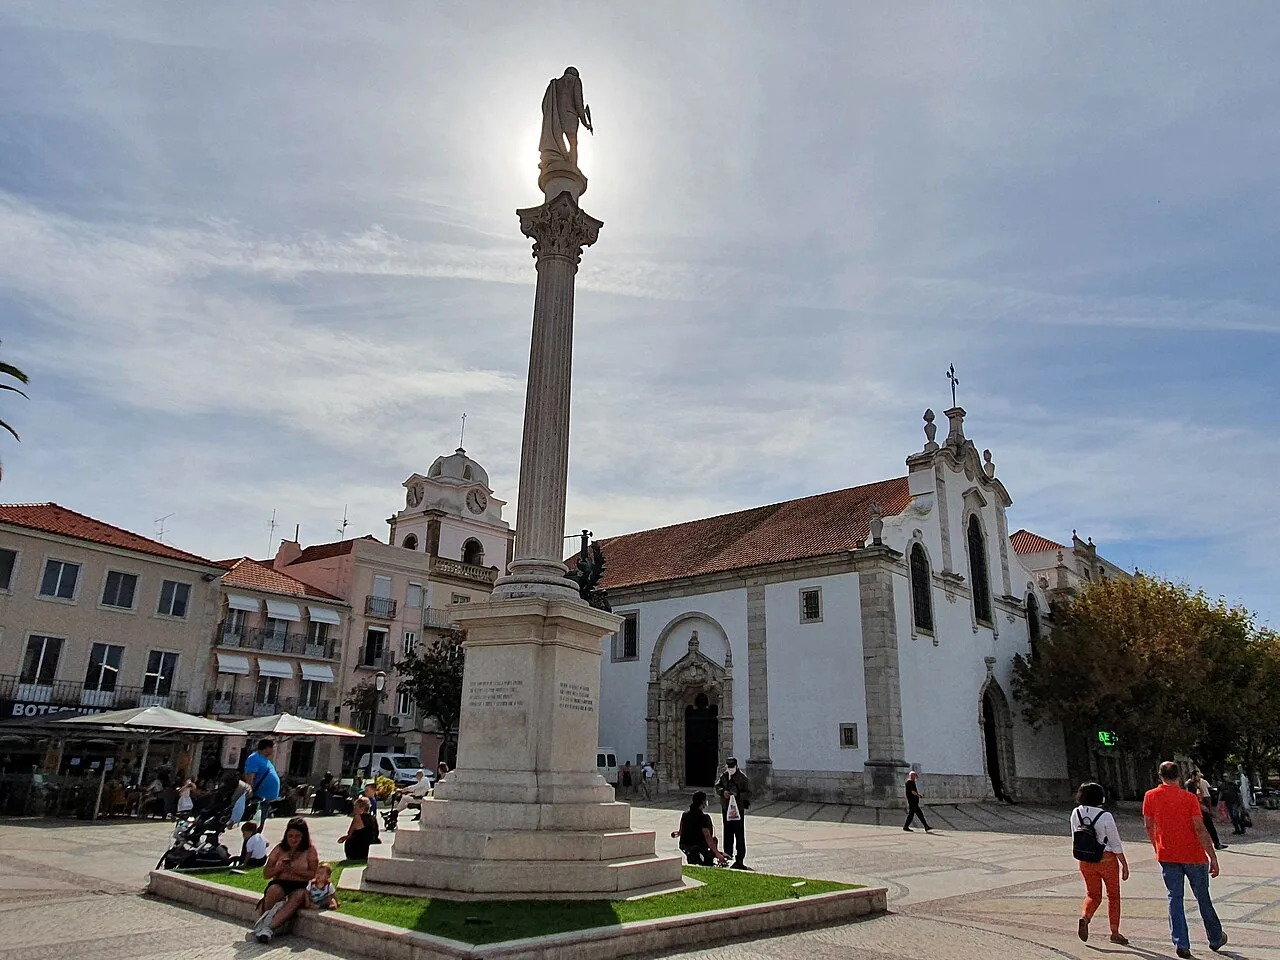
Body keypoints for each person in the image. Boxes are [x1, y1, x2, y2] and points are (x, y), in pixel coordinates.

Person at [1145, 760, 1227, 958]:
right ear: (1179, 776)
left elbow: (1149, 825)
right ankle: (1215, 937)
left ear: (1159, 776)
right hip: (1193, 855)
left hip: (1167, 854)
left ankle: (1181, 942)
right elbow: (1199, 827)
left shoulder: (1150, 796)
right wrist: (1212, 855)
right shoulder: (1189, 798)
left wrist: (1157, 846)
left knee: (1175, 897)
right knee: (1202, 896)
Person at [1071, 782, 1130, 945]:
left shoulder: (1076, 813)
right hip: (1106, 859)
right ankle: (1115, 932)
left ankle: (1085, 916)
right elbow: (1115, 842)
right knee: (1113, 896)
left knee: (1092, 894)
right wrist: (1124, 864)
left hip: (1085, 860)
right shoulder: (1105, 816)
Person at [248, 817, 319, 944]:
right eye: (290, 836)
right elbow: (266, 874)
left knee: (298, 896)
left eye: (297, 836)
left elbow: (312, 874)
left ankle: (267, 928)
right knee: (274, 891)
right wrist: (279, 867)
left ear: (304, 836)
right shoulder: (279, 849)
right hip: (280, 882)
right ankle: (266, 926)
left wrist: (294, 870)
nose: (293, 839)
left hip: (299, 884)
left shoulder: (310, 850)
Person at [671, 791, 728, 866]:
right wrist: (717, 853)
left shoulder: (685, 815)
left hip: (685, 845)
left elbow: (680, 832)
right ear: (703, 802)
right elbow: (707, 836)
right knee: (714, 840)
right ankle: (711, 859)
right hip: (697, 845)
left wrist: (675, 834)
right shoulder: (703, 817)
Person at [715, 757, 752, 870]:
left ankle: (740, 858)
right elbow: (718, 786)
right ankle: (727, 854)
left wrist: (738, 795)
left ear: (736, 766)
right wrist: (723, 792)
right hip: (726, 808)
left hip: (737, 810)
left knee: (739, 834)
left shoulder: (742, 778)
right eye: (728, 767)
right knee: (727, 832)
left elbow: (749, 793)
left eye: (732, 767)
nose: (730, 769)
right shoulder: (724, 776)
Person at [1186, 769, 1227, 850]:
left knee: (1210, 825)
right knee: (1199, 827)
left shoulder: (1197, 783)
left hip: (1201, 805)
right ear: (1194, 776)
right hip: (1196, 808)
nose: (1199, 777)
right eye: (1198, 775)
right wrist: (1201, 806)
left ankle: (1217, 843)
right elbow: (1192, 798)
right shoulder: (1190, 784)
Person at [244, 739, 281, 828]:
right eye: (273, 747)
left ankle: (256, 837)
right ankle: (251, 840)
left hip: (266, 799)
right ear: (267, 748)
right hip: (259, 798)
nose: (274, 750)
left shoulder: (265, 760)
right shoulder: (254, 758)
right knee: (255, 823)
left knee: (260, 823)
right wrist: (250, 793)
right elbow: (250, 776)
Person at [340, 796, 377, 861]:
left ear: (361, 808)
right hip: (371, 849)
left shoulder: (357, 817)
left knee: (349, 841)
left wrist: (343, 838)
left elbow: (349, 833)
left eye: (355, 807)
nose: (354, 810)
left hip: (359, 850)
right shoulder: (373, 818)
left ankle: (351, 857)